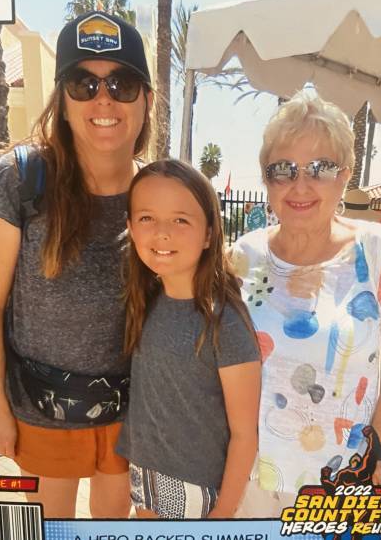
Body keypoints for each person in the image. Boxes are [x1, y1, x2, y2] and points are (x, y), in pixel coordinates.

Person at [0, 10, 153, 518]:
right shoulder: (21, 178)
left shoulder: (159, 193)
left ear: (146, 99)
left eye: (121, 84)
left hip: (131, 412)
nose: (104, 99)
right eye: (84, 83)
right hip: (42, 411)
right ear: (63, 99)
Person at [230, 90, 381, 517]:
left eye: (320, 168)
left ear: (345, 176)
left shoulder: (378, 252)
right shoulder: (241, 256)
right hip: (247, 479)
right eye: (283, 169)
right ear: (266, 179)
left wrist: (379, 453)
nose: (300, 185)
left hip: (342, 481)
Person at [116, 159, 261, 519]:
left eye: (180, 220)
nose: (162, 233)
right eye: (147, 218)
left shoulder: (224, 322)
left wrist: (222, 514)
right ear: (130, 227)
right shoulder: (144, 300)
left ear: (209, 234)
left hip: (196, 489)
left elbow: (245, 434)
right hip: (143, 476)